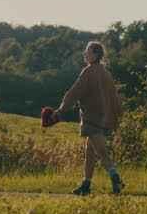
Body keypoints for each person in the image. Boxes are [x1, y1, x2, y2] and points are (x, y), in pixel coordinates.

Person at [53, 41, 125, 196]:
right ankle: (86, 185)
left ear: (95, 54)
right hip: (104, 118)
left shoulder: (88, 71)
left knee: (101, 152)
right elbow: (114, 96)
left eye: (87, 51)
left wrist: (61, 109)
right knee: (90, 153)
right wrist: (119, 113)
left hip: (92, 119)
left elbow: (75, 92)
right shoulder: (106, 73)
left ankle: (116, 179)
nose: (84, 53)